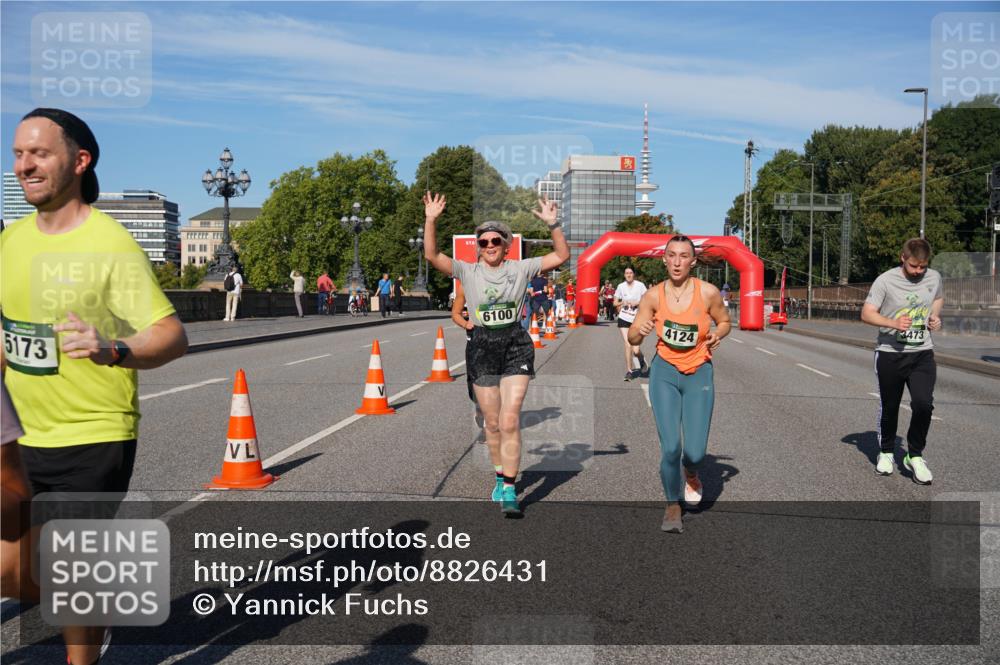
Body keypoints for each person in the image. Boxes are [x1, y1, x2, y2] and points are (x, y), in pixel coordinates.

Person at [3, 107, 188, 665]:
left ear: (80, 161)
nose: (24, 165)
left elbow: (171, 335)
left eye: (39, 153)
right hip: (19, 438)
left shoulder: (111, 245)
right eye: (17, 154)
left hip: (93, 434)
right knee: (11, 570)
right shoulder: (9, 241)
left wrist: (114, 349)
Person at [423, 191, 568, 516]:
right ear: (479, 247)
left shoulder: (520, 269)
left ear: (506, 245)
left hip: (515, 343)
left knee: (510, 418)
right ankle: (501, 477)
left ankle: (510, 486)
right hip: (483, 346)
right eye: (484, 242)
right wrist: (431, 220)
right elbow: (432, 256)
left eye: (496, 242)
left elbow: (560, 255)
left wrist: (553, 223)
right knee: (492, 423)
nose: (490, 246)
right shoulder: (467, 272)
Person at [628, 235, 730, 533]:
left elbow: (725, 321)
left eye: (683, 256)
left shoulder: (708, 293)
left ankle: (692, 472)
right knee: (670, 446)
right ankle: (672, 505)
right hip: (665, 372)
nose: (676, 261)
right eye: (671, 255)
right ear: (664, 259)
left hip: (699, 372)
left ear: (693, 261)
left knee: (695, 452)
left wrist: (717, 335)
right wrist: (640, 331)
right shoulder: (653, 296)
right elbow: (633, 337)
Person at [861, 238, 943, 484]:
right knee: (890, 406)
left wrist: (935, 318)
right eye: (913, 266)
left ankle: (914, 455)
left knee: (923, 404)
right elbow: (866, 314)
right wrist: (893, 323)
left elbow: (937, 297)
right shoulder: (885, 280)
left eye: (923, 267)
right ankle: (886, 452)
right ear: (902, 258)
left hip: (922, 353)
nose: (918, 272)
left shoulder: (934, 277)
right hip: (890, 353)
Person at [614, 267, 648, 381]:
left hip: (637, 319)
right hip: (623, 317)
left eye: (630, 273)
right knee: (628, 344)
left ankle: (641, 360)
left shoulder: (640, 285)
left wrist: (637, 303)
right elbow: (614, 303)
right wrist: (622, 302)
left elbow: (647, 300)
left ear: (634, 274)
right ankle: (629, 370)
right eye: (626, 273)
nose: (628, 275)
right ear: (624, 275)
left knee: (636, 350)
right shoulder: (620, 286)